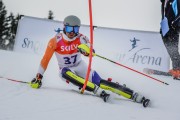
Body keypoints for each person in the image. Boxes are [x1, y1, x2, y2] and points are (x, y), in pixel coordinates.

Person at [30, 15, 148, 104]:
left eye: (75, 29)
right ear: (64, 27)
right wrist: (39, 76)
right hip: (65, 70)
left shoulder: (81, 38)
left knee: (101, 82)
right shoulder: (55, 41)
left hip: (80, 66)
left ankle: (133, 95)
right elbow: (46, 59)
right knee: (64, 72)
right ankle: (96, 90)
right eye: (70, 28)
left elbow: (91, 52)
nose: (72, 32)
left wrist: (87, 51)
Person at [160, 0, 180, 79]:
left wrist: (173, 24)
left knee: (173, 49)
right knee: (169, 49)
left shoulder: (176, 1)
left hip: (173, 29)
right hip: (164, 27)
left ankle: (177, 69)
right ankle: (176, 68)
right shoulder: (164, 1)